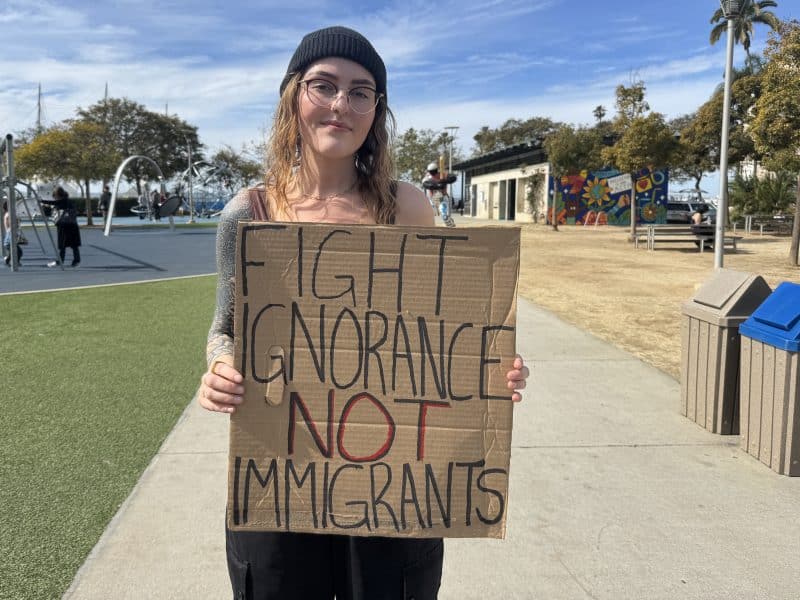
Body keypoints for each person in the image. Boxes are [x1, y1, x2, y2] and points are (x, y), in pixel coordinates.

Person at [198, 26, 529, 600]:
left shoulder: (407, 206)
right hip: (282, 471)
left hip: (392, 480)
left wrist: (489, 369)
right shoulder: (247, 212)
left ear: (377, 111)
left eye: (361, 92)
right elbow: (225, 329)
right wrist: (220, 371)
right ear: (292, 97)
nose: (340, 105)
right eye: (323, 85)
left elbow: (442, 332)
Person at [43, 186, 81, 267]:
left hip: (64, 225)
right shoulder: (69, 201)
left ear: (57, 195)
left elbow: (54, 203)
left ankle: (60, 260)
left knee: (62, 244)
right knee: (74, 244)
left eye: (55, 196)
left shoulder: (62, 201)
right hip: (73, 225)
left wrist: (41, 201)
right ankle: (76, 261)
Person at [422, 162, 458, 226]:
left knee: (443, 213)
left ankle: (450, 224)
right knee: (428, 215)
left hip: (443, 198)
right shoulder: (428, 177)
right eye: (431, 172)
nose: (433, 174)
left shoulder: (443, 175)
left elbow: (453, 178)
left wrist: (445, 181)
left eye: (434, 172)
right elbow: (425, 184)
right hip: (432, 199)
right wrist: (437, 185)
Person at [3, 202, 23, 266]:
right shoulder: (9, 214)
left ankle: (9, 261)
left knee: (17, 251)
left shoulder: (8, 214)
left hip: (10, 237)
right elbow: (12, 224)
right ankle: (14, 262)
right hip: (9, 238)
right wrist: (17, 220)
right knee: (18, 252)